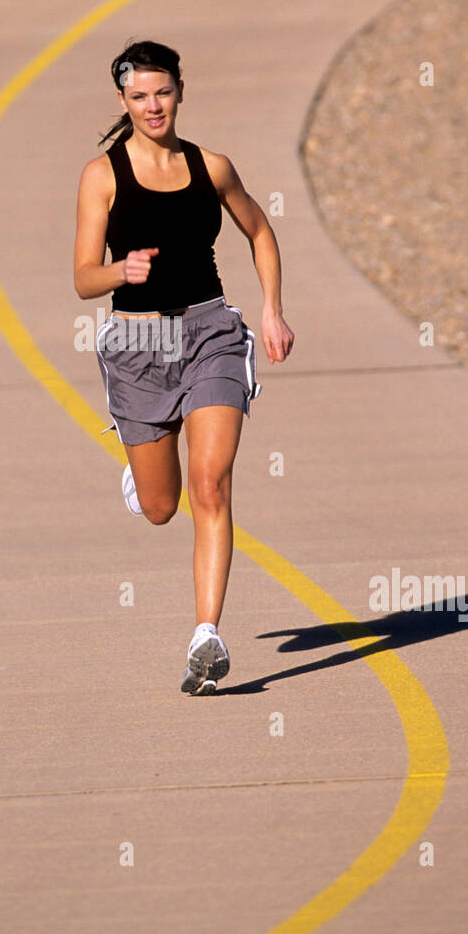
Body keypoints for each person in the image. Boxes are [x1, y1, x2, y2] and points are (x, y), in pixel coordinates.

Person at [74, 39, 294, 694]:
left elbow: (259, 230)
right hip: (139, 349)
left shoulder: (212, 167)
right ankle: (142, 478)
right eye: (138, 96)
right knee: (162, 506)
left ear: (178, 92)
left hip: (209, 336)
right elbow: (84, 279)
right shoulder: (102, 176)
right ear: (123, 101)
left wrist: (273, 310)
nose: (152, 106)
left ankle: (207, 635)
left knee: (212, 483)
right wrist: (119, 270)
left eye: (161, 92)